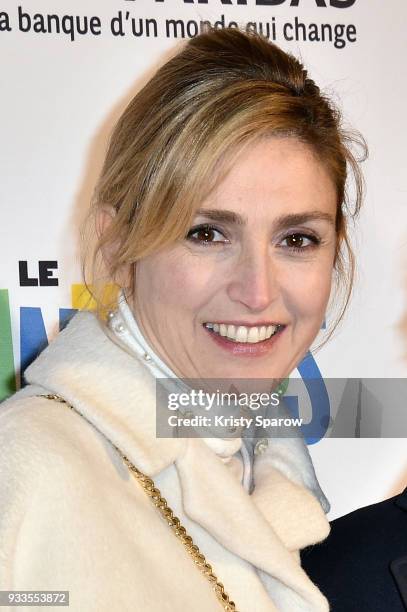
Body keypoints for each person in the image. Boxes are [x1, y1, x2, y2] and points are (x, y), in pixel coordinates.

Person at [0, 28, 365, 612]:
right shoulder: (25, 470)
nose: (257, 290)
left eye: (297, 239)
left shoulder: (273, 473)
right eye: (207, 233)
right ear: (117, 246)